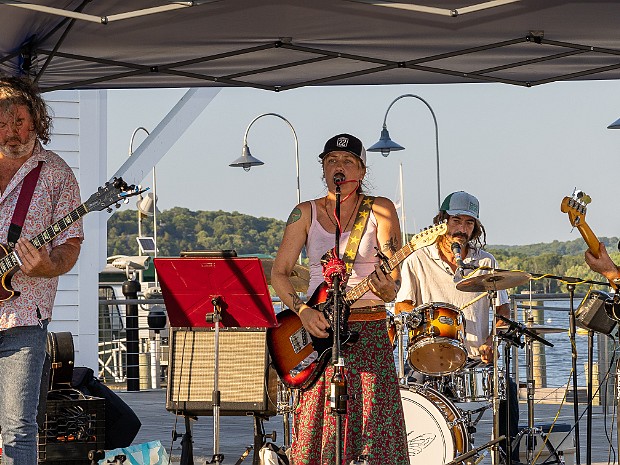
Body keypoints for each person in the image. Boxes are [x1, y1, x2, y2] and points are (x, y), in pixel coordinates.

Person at [271, 133, 408, 464]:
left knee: (376, 426)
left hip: (370, 328)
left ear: (361, 170)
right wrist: (302, 311)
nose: (339, 167)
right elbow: (279, 272)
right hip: (319, 331)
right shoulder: (304, 213)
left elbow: (393, 283)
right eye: (332, 160)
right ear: (323, 168)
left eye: (347, 161)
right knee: (318, 426)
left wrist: (387, 289)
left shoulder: (381, 209)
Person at [395, 190, 519, 462]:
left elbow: (503, 310)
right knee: (407, 398)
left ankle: (509, 457)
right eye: (456, 221)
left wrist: (491, 339)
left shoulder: (485, 262)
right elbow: (401, 305)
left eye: (469, 223)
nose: (462, 229)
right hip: (427, 356)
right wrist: (417, 316)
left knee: (506, 388)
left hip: (474, 357)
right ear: (442, 220)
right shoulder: (417, 259)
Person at [0, 76, 83, 465]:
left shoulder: (56, 173)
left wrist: (48, 265)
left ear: (36, 121)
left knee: (18, 426)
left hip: (23, 319)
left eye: (19, 121)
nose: (12, 131)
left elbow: (69, 245)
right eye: (2, 122)